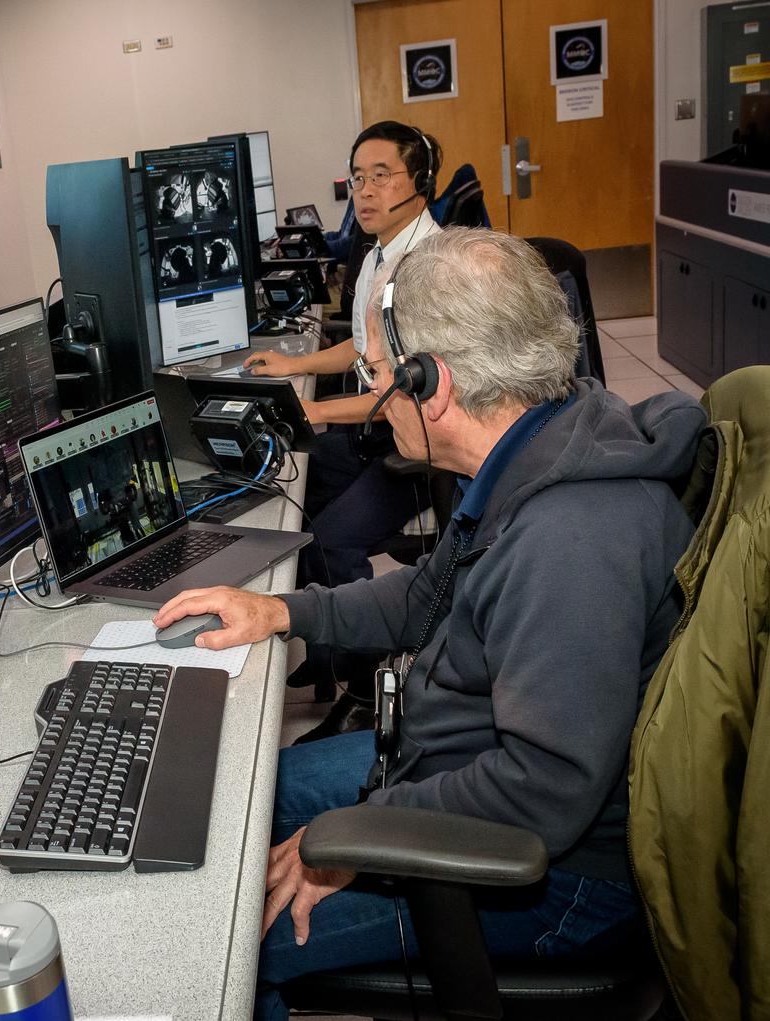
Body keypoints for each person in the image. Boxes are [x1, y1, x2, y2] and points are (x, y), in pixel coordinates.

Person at [154, 228, 706, 1021]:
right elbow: (424, 598)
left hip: (557, 874)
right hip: (454, 756)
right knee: (236, 799)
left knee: (226, 942)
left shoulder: (572, 541)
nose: (374, 399)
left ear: (432, 383)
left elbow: (544, 793)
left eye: (378, 375)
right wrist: (282, 609)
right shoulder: (540, 442)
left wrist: (352, 840)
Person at [249, 122, 446, 699]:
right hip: (374, 433)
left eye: (382, 177)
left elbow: (401, 397)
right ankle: (329, 651)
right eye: (358, 178)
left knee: (332, 536)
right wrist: (296, 368)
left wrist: (321, 414)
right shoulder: (380, 253)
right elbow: (364, 351)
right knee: (294, 493)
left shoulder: (423, 272)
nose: (365, 191)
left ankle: (365, 679)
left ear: (421, 182)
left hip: (416, 448)